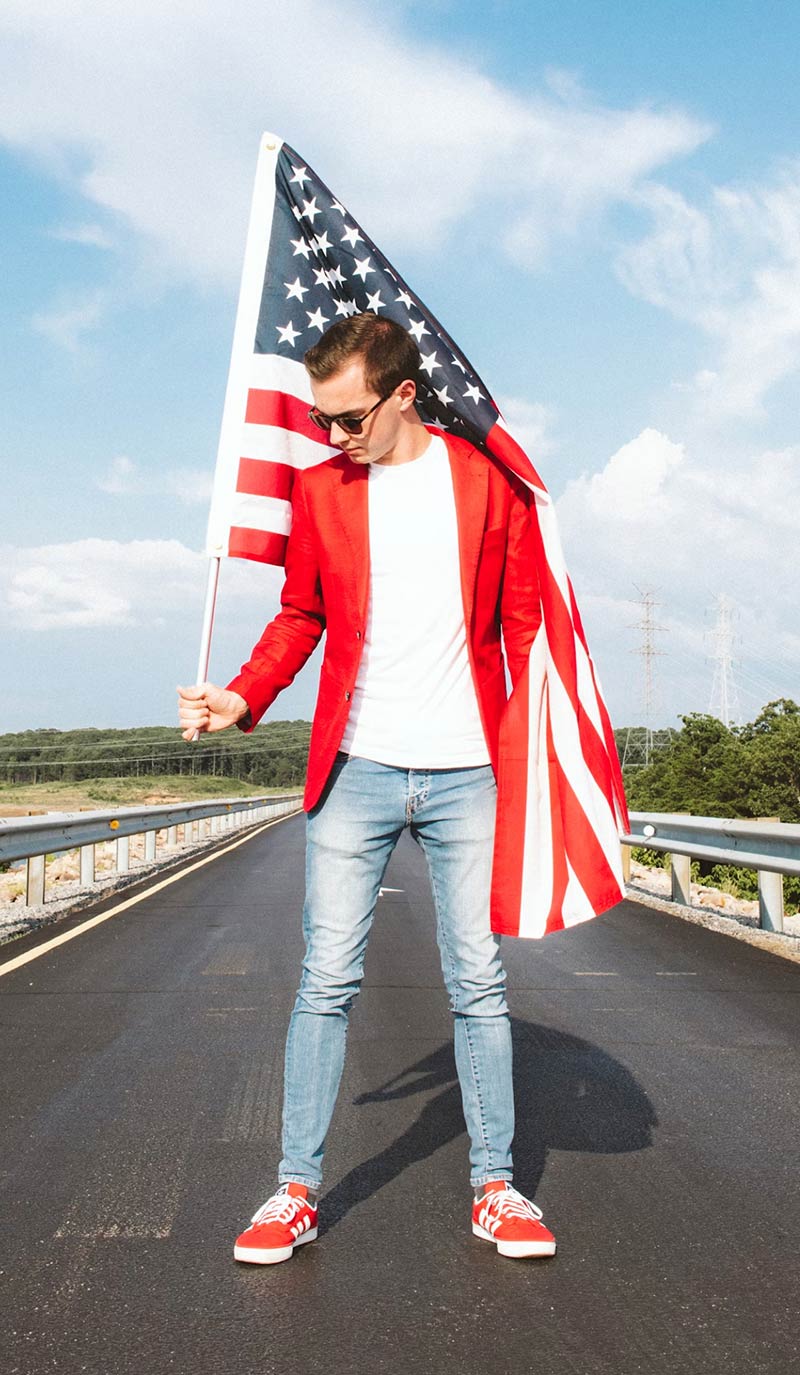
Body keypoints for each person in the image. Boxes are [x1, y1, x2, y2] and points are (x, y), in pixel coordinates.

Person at [177, 312, 556, 1264]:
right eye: (319, 418)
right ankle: (294, 1191)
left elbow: (523, 630)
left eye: (348, 418)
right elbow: (301, 612)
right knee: (325, 981)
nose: (332, 436)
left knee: (478, 980)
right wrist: (242, 693)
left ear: (402, 395)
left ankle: (497, 1187)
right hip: (355, 768)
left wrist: (539, 757)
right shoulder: (321, 491)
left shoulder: (487, 486)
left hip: (470, 769)